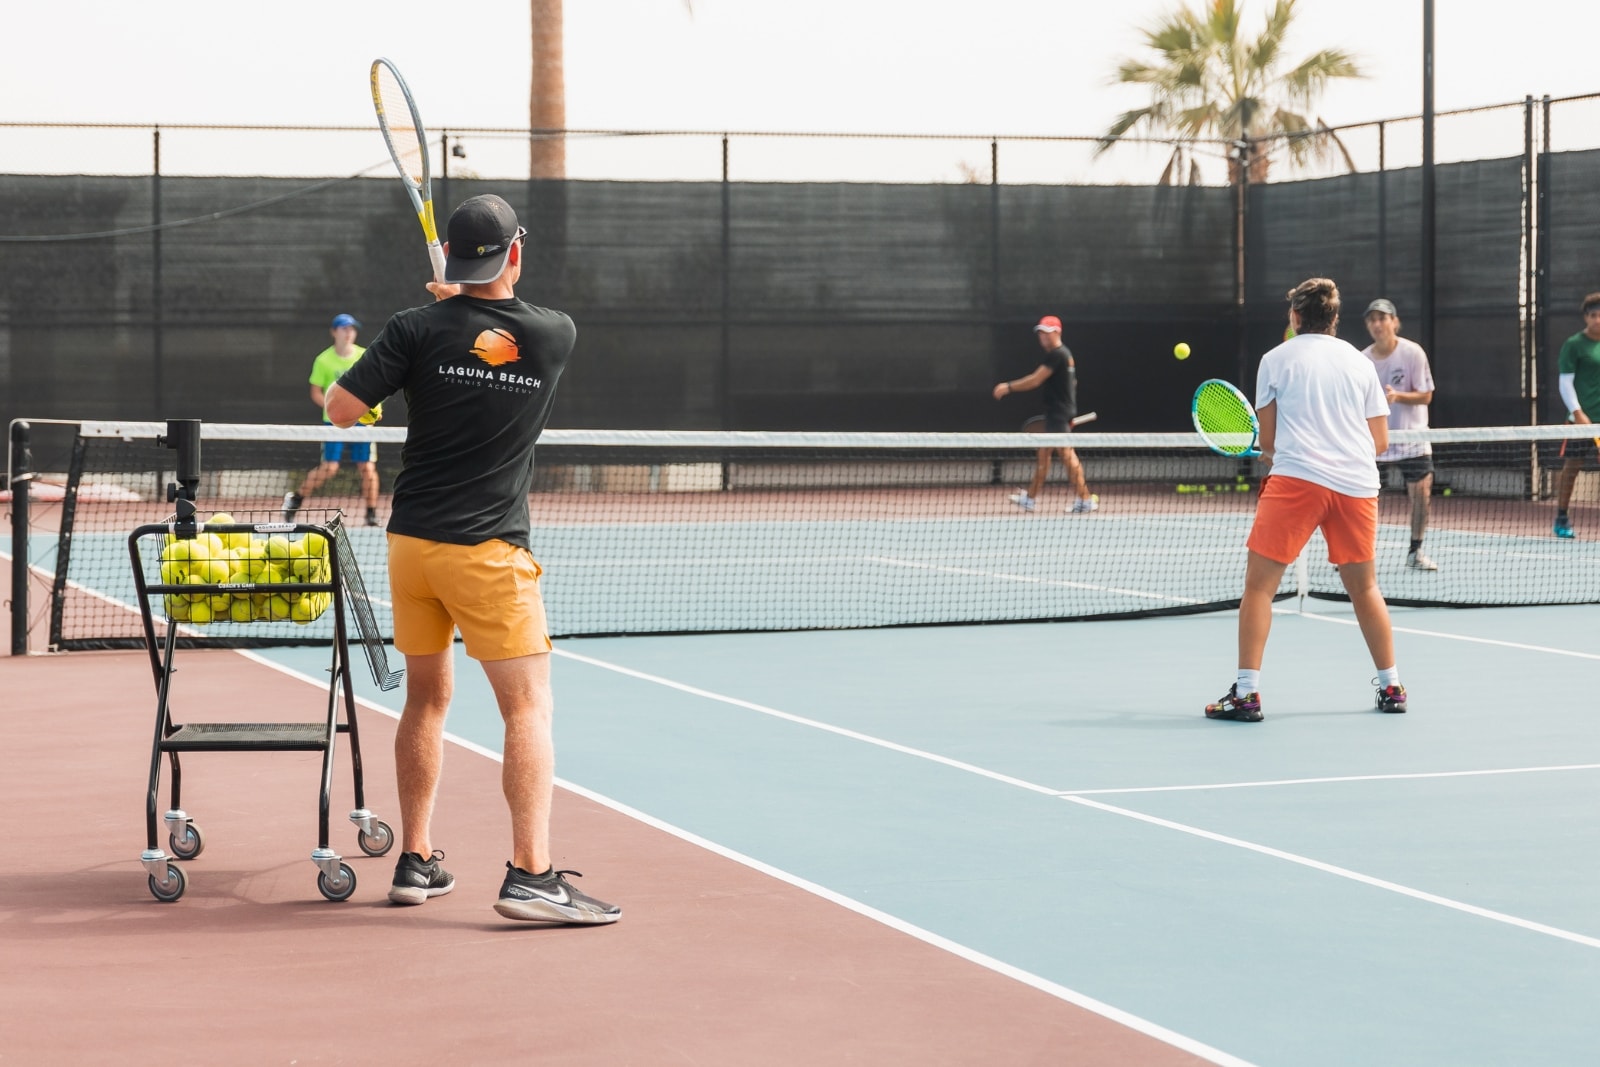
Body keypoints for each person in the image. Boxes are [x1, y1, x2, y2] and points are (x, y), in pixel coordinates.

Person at [324, 193, 619, 924]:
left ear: (453, 257)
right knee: (528, 708)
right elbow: (492, 325)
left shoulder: (413, 328)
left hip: (412, 549)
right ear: (515, 252)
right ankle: (533, 875)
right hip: (488, 554)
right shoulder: (553, 333)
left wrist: (434, 322)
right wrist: (456, 310)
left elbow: (339, 407)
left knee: (426, 700)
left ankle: (415, 859)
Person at [1206, 278, 1407, 722]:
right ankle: (1392, 687)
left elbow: (1269, 441)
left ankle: (1246, 695)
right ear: (1334, 318)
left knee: (1259, 588)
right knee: (1365, 588)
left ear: (1295, 317)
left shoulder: (1275, 360)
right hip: (1357, 487)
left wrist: (1277, 451)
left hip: (1297, 482)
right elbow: (1379, 442)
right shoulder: (1360, 364)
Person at [283, 313, 382, 528]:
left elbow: (376, 385)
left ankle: (371, 513)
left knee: (367, 467)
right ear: (334, 332)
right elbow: (316, 392)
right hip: (334, 422)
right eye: (344, 328)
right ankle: (296, 499)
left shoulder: (364, 355)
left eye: (352, 329)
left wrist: (371, 411)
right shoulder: (323, 360)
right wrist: (336, 410)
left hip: (361, 422)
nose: (349, 333)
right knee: (329, 468)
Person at [1361, 298, 1439, 570]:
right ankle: (1356, 551)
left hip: (1411, 440)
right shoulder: (1363, 359)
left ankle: (1415, 552)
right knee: (1360, 498)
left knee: (1421, 495)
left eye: (1382, 318)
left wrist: (1398, 396)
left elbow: (1426, 395)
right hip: (1374, 441)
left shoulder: (1412, 353)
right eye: (1372, 319)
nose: (1377, 324)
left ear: (1394, 322)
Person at [992, 315, 1097, 513]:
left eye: (1047, 332)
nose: (1043, 337)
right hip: (1058, 414)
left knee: (1067, 456)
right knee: (1043, 456)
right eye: (1040, 333)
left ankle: (1085, 499)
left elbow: (1035, 380)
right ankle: (1030, 499)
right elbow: (1073, 384)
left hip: (1058, 415)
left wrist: (1008, 387)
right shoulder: (1066, 355)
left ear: (1057, 332)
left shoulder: (1057, 355)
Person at [1552, 293, 1600, 539]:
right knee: (1571, 469)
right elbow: (1565, 383)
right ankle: (1561, 517)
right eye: (1593, 315)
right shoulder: (1574, 345)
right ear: (1586, 318)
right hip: (1580, 422)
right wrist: (1578, 413)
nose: (1598, 319)